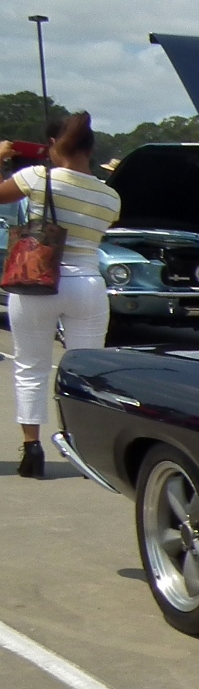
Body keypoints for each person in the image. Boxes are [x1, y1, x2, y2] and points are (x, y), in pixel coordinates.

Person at [0, 115, 119, 478]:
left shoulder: (38, 176)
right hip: (87, 285)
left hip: (38, 282)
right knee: (86, 373)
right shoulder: (110, 195)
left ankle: (31, 447)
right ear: (91, 148)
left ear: (54, 144)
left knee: (30, 367)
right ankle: (83, 448)